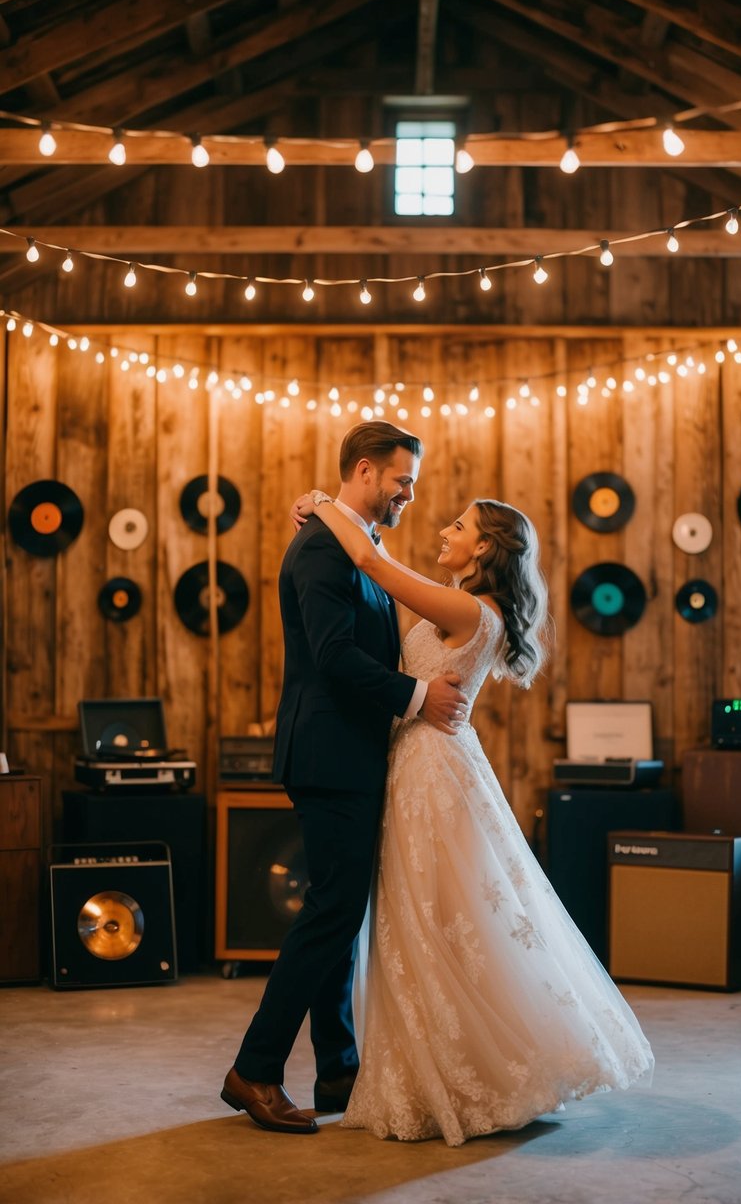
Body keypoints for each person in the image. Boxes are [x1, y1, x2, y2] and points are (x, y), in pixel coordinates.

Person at [290, 490, 654, 1147]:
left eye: (457, 526)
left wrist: (325, 506)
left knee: (436, 917)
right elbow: (384, 567)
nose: (443, 528)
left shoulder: (466, 608)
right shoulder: (463, 602)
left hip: (430, 769)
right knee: (424, 917)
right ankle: (437, 1064)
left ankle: (467, 1072)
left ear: (483, 548)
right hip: (417, 761)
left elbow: (374, 567)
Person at [221, 422, 467, 1135]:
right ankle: (255, 1070)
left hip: (348, 755)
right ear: (365, 471)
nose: (410, 495)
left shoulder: (348, 538)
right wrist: (419, 698)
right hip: (328, 756)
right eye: (402, 480)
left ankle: (337, 1069)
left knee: (339, 913)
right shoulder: (324, 549)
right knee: (331, 912)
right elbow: (331, 658)